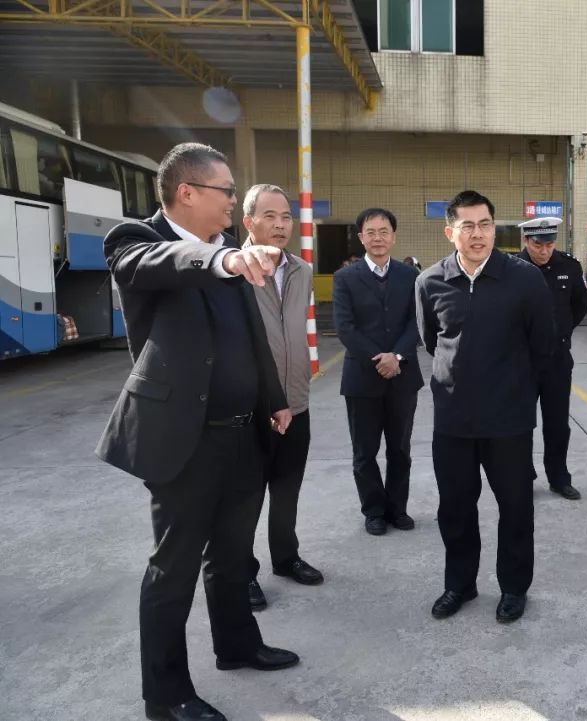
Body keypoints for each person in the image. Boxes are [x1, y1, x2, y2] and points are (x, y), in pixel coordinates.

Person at [96, 143, 299, 721]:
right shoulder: (135, 240)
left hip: (242, 433)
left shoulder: (228, 251)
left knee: (234, 553)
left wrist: (273, 400)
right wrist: (218, 261)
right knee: (174, 567)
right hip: (185, 439)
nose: (236, 201)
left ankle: (237, 645)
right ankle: (167, 695)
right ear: (188, 192)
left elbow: (250, 338)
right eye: (227, 191)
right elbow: (155, 264)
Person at [416, 190, 555, 624]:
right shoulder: (429, 281)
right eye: (468, 226)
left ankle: (514, 588)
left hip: (508, 422)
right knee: (455, 508)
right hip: (453, 421)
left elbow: (543, 347)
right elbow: (430, 340)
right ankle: (460, 584)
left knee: (515, 508)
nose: (478, 234)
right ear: (450, 232)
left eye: (486, 224)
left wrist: (514, 391)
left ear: (496, 228)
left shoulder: (525, 279)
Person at [240, 185, 322, 612]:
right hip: (254, 407)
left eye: (286, 216)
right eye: (269, 216)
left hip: (298, 399)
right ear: (248, 222)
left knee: (287, 489)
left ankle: (285, 558)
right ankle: (243, 573)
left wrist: (294, 394)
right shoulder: (232, 271)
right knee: (248, 496)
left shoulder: (301, 270)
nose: (280, 224)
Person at [333, 208, 424, 536]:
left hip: (403, 377)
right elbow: (344, 327)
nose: (378, 237)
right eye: (370, 232)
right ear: (361, 237)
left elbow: (417, 322)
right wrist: (379, 357)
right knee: (364, 451)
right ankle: (373, 511)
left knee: (400, 448)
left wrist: (397, 355)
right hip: (362, 378)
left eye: (384, 231)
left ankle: (397, 508)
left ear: (393, 236)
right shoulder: (345, 278)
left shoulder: (410, 276)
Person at [517, 216, 587, 500]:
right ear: (526, 241)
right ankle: (523, 476)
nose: (544, 250)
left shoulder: (568, 266)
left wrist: (560, 333)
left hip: (557, 360)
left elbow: (580, 305)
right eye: (537, 244)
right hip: (520, 362)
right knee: (520, 423)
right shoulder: (512, 269)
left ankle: (559, 477)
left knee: (558, 423)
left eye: (549, 244)